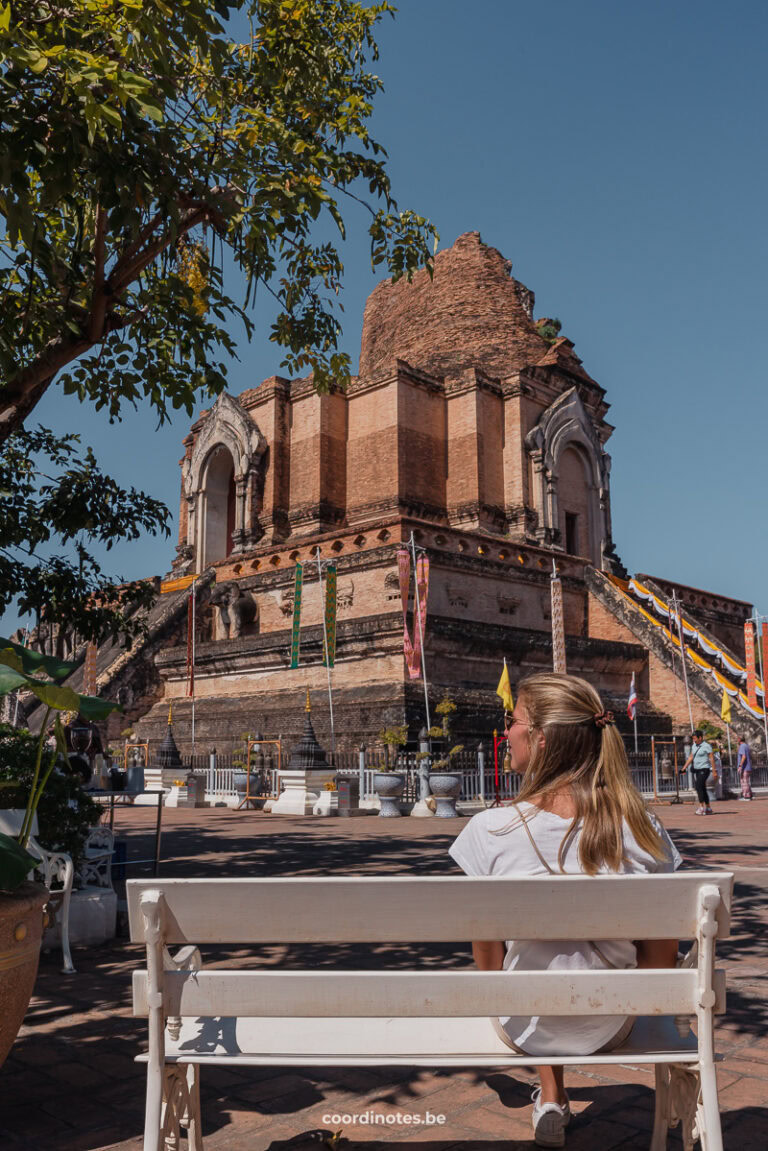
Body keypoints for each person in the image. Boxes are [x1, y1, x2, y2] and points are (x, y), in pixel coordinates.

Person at [449, 672, 680, 1148]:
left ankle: (550, 1095)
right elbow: (659, 965)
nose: (506, 732)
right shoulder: (642, 827)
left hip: (523, 1024)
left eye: (513, 722)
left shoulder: (488, 830)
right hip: (610, 1022)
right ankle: (552, 1093)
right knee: (563, 966)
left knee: (529, 971)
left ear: (541, 738)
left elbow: (489, 969)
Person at [679, 730, 717, 814]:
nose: (694, 740)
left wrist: (714, 771)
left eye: (695, 738)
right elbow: (691, 757)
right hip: (697, 770)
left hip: (704, 769)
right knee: (702, 788)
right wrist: (684, 768)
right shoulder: (694, 746)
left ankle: (701, 807)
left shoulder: (707, 746)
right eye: (693, 739)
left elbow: (712, 759)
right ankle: (708, 808)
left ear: (700, 737)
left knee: (698, 786)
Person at [737, 735, 753, 800]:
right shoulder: (746, 746)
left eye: (737, 739)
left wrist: (740, 765)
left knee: (744, 781)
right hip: (748, 766)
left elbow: (743, 756)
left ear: (739, 739)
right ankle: (749, 795)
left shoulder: (742, 746)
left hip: (744, 767)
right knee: (746, 781)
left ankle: (746, 796)